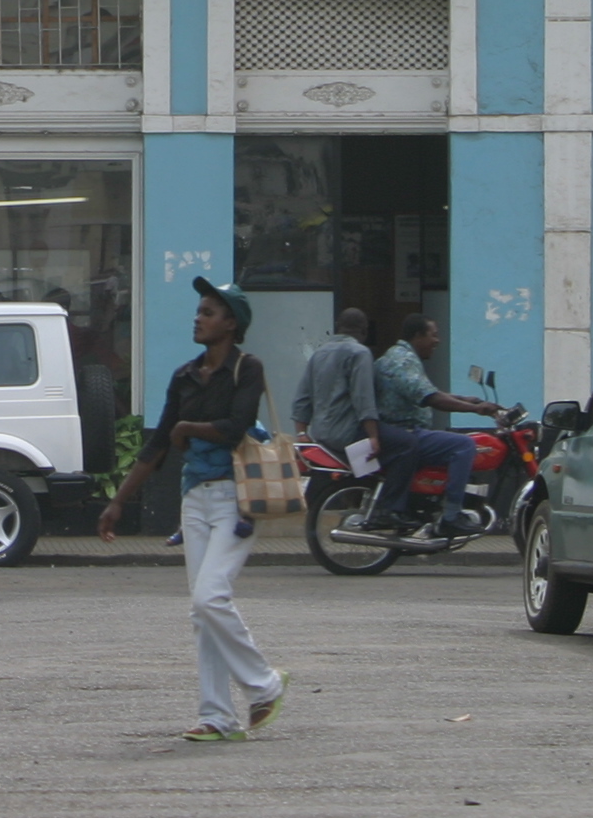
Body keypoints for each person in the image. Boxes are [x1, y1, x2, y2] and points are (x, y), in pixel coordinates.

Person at [98, 277, 287, 744]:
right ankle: (217, 717)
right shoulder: (184, 375)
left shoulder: (249, 368)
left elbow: (237, 425)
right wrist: (119, 501)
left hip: (237, 500)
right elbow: (160, 443)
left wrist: (190, 426)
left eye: (208, 312)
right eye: (199, 311)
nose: (197, 318)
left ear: (231, 324)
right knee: (202, 613)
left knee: (210, 597)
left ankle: (265, 684)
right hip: (194, 500)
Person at [370, 313, 518, 539]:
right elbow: (432, 398)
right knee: (464, 445)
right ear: (418, 335)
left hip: (401, 431)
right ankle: (451, 516)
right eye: (434, 335)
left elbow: (428, 392)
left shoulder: (397, 357)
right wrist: (475, 409)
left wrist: (466, 399)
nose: (437, 341)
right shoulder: (403, 362)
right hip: (406, 432)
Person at [289, 307, 385, 465]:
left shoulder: (319, 354)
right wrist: (373, 436)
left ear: (337, 327)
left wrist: (301, 433)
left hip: (320, 437)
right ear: (364, 330)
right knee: (407, 444)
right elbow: (363, 399)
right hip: (348, 436)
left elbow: (302, 399)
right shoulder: (360, 353)